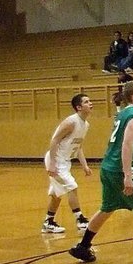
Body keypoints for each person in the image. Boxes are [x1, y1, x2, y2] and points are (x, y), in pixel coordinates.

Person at [69, 80, 133, 264]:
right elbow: (127, 144)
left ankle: (83, 246)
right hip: (120, 169)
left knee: (107, 208)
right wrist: (127, 176)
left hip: (108, 167)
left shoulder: (123, 113)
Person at [41, 93, 93, 234]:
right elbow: (55, 140)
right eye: (86, 102)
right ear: (79, 107)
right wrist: (52, 164)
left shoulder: (85, 124)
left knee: (56, 195)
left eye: (90, 101)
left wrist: (85, 165)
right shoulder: (71, 122)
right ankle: (80, 219)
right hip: (56, 160)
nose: (90, 103)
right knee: (72, 187)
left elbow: (78, 146)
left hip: (65, 161)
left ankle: (48, 222)